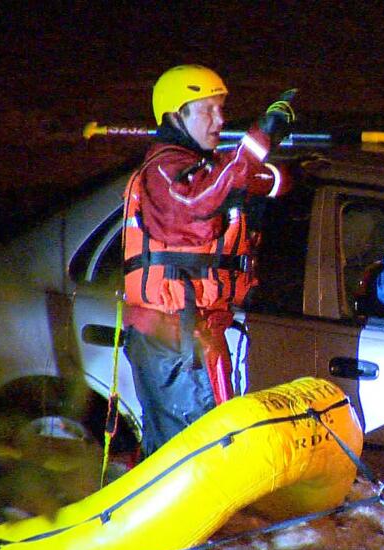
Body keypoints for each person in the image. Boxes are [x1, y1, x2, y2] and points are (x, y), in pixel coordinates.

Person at [121, 64, 294, 457]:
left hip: (195, 330)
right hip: (170, 335)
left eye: (221, 109)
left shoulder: (201, 169)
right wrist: (258, 139)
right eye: (208, 110)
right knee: (196, 451)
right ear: (175, 115)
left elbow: (251, 184)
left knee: (196, 444)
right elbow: (200, 203)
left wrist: (277, 167)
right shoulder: (165, 170)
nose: (220, 120)